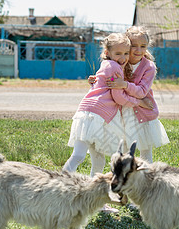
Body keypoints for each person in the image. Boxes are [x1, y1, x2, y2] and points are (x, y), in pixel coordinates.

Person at [63, 33, 153, 213]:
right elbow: (118, 97)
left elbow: (100, 86)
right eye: (118, 53)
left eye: (125, 53)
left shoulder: (107, 65)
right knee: (79, 155)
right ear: (107, 52)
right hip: (95, 116)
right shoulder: (114, 67)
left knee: (97, 160)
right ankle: (59, 188)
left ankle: (96, 201)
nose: (123, 58)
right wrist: (140, 102)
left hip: (91, 115)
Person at [90, 26, 169, 163]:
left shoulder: (148, 66)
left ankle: (147, 178)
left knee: (145, 148)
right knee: (124, 147)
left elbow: (142, 92)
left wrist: (124, 84)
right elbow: (107, 85)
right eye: (134, 46)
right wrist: (95, 81)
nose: (138, 50)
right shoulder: (120, 61)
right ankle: (125, 177)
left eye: (143, 46)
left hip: (143, 111)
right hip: (123, 110)